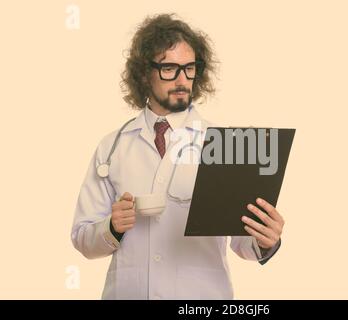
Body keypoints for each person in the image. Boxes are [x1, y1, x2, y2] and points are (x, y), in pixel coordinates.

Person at [71, 13, 285, 300]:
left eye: (189, 68)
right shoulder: (113, 146)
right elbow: (83, 239)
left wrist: (265, 239)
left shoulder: (224, 145)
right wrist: (112, 227)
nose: (182, 79)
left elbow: (243, 243)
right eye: (170, 68)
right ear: (145, 73)